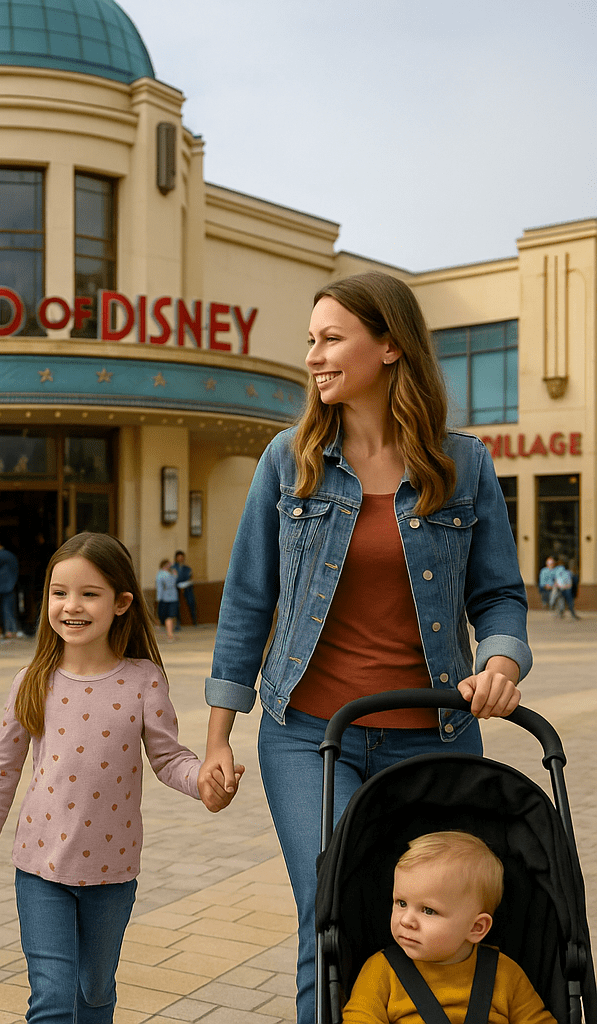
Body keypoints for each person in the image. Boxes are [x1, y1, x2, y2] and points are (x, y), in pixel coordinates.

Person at [198, 272, 531, 1024]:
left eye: (330, 338)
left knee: (435, 927)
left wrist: (502, 661)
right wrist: (218, 736)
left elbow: (499, 595)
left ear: (388, 346)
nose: (314, 356)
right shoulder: (290, 461)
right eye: (310, 340)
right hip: (310, 737)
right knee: (335, 913)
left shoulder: (462, 464)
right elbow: (249, 599)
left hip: (436, 736)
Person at [0, 532, 243, 1023]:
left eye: (89, 594)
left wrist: (202, 781)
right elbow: (1, 773)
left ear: (121, 602)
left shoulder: (143, 679)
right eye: (59, 592)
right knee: (50, 1000)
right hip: (38, 868)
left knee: (93, 994)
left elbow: (168, 758)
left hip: (112, 874)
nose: (72, 606)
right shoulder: (32, 681)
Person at [343, 831, 555, 1024]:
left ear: (476, 928)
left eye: (428, 910)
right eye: (401, 903)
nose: (406, 920)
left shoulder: (505, 974)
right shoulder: (382, 971)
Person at [155, 558, 179, 641]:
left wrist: (159, 598)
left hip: (166, 597)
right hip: (170, 597)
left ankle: (170, 633)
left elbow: (160, 588)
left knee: (169, 616)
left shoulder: (161, 574)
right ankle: (170, 634)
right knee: (169, 616)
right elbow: (160, 587)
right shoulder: (168, 574)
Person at [174, 550, 199, 626]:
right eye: (179, 557)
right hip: (176, 588)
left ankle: (194, 620)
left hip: (187, 588)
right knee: (176, 604)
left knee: (191, 602)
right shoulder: (173, 568)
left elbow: (189, 577)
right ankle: (178, 621)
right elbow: (174, 579)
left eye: (182, 557)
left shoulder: (187, 568)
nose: (181, 559)